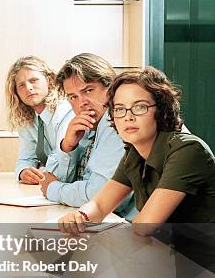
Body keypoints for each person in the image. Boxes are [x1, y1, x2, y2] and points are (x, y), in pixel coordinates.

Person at [59, 67, 215, 232]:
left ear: (161, 110)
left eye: (140, 107)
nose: (128, 116)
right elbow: (99, 205)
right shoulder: (134, 153)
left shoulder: (188, 149)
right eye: (119, 109)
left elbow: (143, 228)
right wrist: (80, 216)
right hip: (167, 252)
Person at [40, 53, 134, 218]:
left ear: (111, 88)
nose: (81, 102)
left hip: (141, 229)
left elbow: (100, 195)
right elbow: (53, 177)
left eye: (88, 90)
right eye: (73, 97)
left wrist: (54, 189)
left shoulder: (119, 121)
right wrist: (68, 146)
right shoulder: (88, 125)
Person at [5, 56, 73, 184]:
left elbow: (63, 158)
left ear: (50, 80)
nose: (28, 88)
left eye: (34, 80)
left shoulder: (65, 111)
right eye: (21, 86)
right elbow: (25, 158)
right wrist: (23, 172)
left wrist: (43, 169)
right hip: (45, 186)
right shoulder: (27, 118)